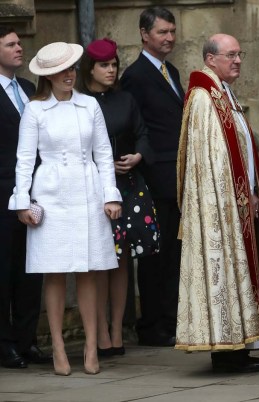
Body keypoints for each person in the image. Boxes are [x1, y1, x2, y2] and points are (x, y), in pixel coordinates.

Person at [176, 33, 259, 373]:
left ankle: (240, 346)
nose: (238, 60)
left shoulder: (223, 92)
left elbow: (238, 151)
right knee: (224, 269)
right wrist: (233, 200)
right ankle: (226, 353)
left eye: (240, 54)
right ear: (210, 59)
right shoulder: (202, 97)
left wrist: (251, 192)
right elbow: (209, 161)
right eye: (231, 55)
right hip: (221, 208)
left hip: (239, 201)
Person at [9, 41, 122, 376]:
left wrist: (110, 195)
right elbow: (25, 159)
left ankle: (90, 345)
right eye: (61, 70)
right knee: (54, 272)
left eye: (72, 68)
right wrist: (22, 200)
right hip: (51, 196)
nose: (69, 75)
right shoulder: (35, 109)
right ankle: (58, 345)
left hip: (88, 194)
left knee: (88, 270)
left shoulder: (89, 105)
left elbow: (103, 153)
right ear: (48, 75)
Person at [77, 38, 159, 358]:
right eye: (104, 66)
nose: (111, 71)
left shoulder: (125, 99)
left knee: (121, 258)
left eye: (114, 65)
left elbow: (142, 133)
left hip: (127, 186)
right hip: (93, 187)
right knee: (98, 259)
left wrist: (138, 156)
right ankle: (97, 333)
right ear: (90, 69)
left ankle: (115, 331)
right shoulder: (80, 103)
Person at [120, 6, 185, 347]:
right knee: (154, 253)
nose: (169, 38)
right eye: (162, 32)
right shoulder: (135, 75)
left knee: (174, 251)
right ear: (145, 34)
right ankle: (151, 325)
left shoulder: (170, 71)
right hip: (153, 176)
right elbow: (135, 127)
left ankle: (171, 318)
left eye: (172, 32)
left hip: (176, 174)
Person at [0, 26, 51, 369]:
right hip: (2, 193)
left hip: (34, 193)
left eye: (20, 43)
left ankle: (26, 338)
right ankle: (5, 344)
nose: (20, 48)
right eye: (11, 44)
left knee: (32, 269)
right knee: (4, 270)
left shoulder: (29, 90)